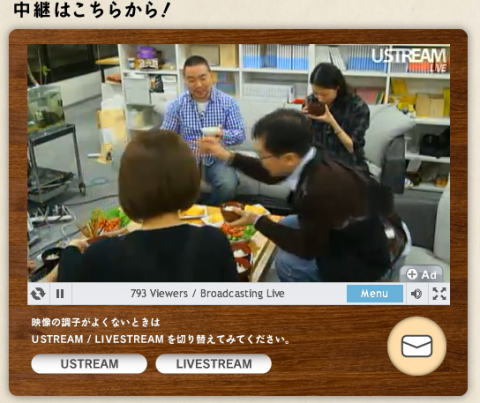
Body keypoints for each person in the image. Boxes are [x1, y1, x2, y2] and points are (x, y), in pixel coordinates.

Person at [200, 109, 395, 282]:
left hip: (362, 261)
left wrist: (257, 221)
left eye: (262, 156)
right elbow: (271, 173)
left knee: (287, 263)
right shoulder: (312, 153)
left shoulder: (318, 190)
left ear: (289, 158)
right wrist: (226, 155)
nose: (260, 160)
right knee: (285, 224)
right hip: (359, 231)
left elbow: (308, 249)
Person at [57, 130, 239, 283]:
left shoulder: (102, 255)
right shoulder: (214, 242)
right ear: (190, 179)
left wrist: (70, 251)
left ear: (128, 186)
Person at [160, 55, 246, 206]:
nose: (198, 85)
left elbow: (240, 134)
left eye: (203, 78)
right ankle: (191, 209)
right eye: (191, 80)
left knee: (227, 186)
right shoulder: (177, 105)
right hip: (187, 157)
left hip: (217, 156)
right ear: (185, 80)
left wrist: (222, 135)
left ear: (211, 76)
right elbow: (165, 137)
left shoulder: (228, 103)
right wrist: (179, 145)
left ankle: (207, 209)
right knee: (172, 185)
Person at [303, 63, 370, 172]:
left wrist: (332, 122)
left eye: (324, 94)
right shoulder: (312, 101)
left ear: (337, 88)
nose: (319, 99)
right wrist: (303, 121)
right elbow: (306, 140)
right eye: (316, 93)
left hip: (347, 164)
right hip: (318, 162)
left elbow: (352, 147)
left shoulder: (357, 107)